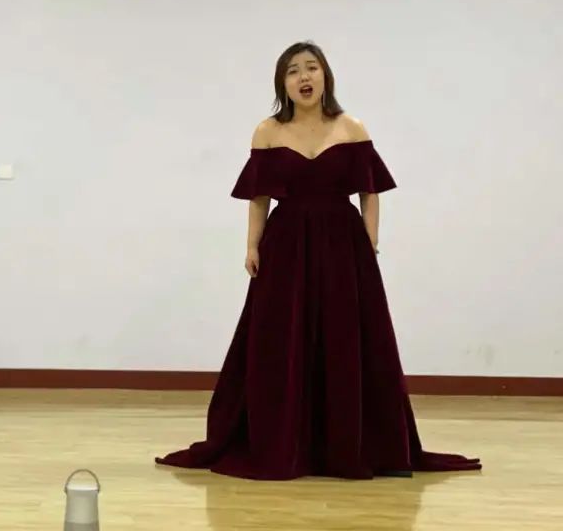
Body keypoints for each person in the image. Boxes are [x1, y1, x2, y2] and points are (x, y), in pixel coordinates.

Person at [155, 41, 480, 480]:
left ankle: (345, 443)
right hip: (285, 244)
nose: (303, 77)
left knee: (345, 338)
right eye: (293, 71)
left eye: (311, 68)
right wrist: (251, 246)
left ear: (325, 76)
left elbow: (369, 192)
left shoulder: (352, 128)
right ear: (282, 84)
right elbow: (258, 197)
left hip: (344, 244)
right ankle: (282, 440)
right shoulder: (267, 132)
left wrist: (369, 243)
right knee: (279, 339)